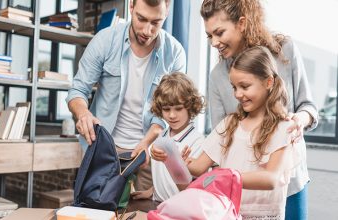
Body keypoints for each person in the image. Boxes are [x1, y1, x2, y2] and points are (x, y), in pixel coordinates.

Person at [200, 0, 318, 219]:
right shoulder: (217, 76)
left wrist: (299, 120)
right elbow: (220, 138)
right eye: (209, 36)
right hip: (245, 193)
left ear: (242, 23)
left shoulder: (284, 51)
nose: (214, 42)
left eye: (219, 32)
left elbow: (308, 107)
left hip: (290, 181)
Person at [66, 0, 186, 192]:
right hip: (104, 150)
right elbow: (78, 90)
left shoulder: (175, 52)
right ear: (131, 6)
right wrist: (83, 114)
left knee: (142, 212)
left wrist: (147, 143)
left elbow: (169, 110)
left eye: (156, 22)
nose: (147, 30)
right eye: (141, 19)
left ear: (167, 12)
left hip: (150, 152)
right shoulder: (104, 41)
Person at [183, 46, 299, 219]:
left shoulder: (283, 128)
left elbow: (271, 179)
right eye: (234, 87)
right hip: (227, 213)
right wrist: (178, 161)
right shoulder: (229, 124)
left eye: (244, 86)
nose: (237, 94)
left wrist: (228, 177)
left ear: (268, 82)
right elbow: (199, 168)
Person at [131, 72, 205, 201]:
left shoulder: (198, 141)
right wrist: (151, 191)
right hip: (158, 203)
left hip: (181, 208)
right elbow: (163, 176)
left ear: (190, 107)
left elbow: (193, 187)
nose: (171, 115)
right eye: (166, 109)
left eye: (178, 109)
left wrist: (173, 160)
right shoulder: (162, 135)